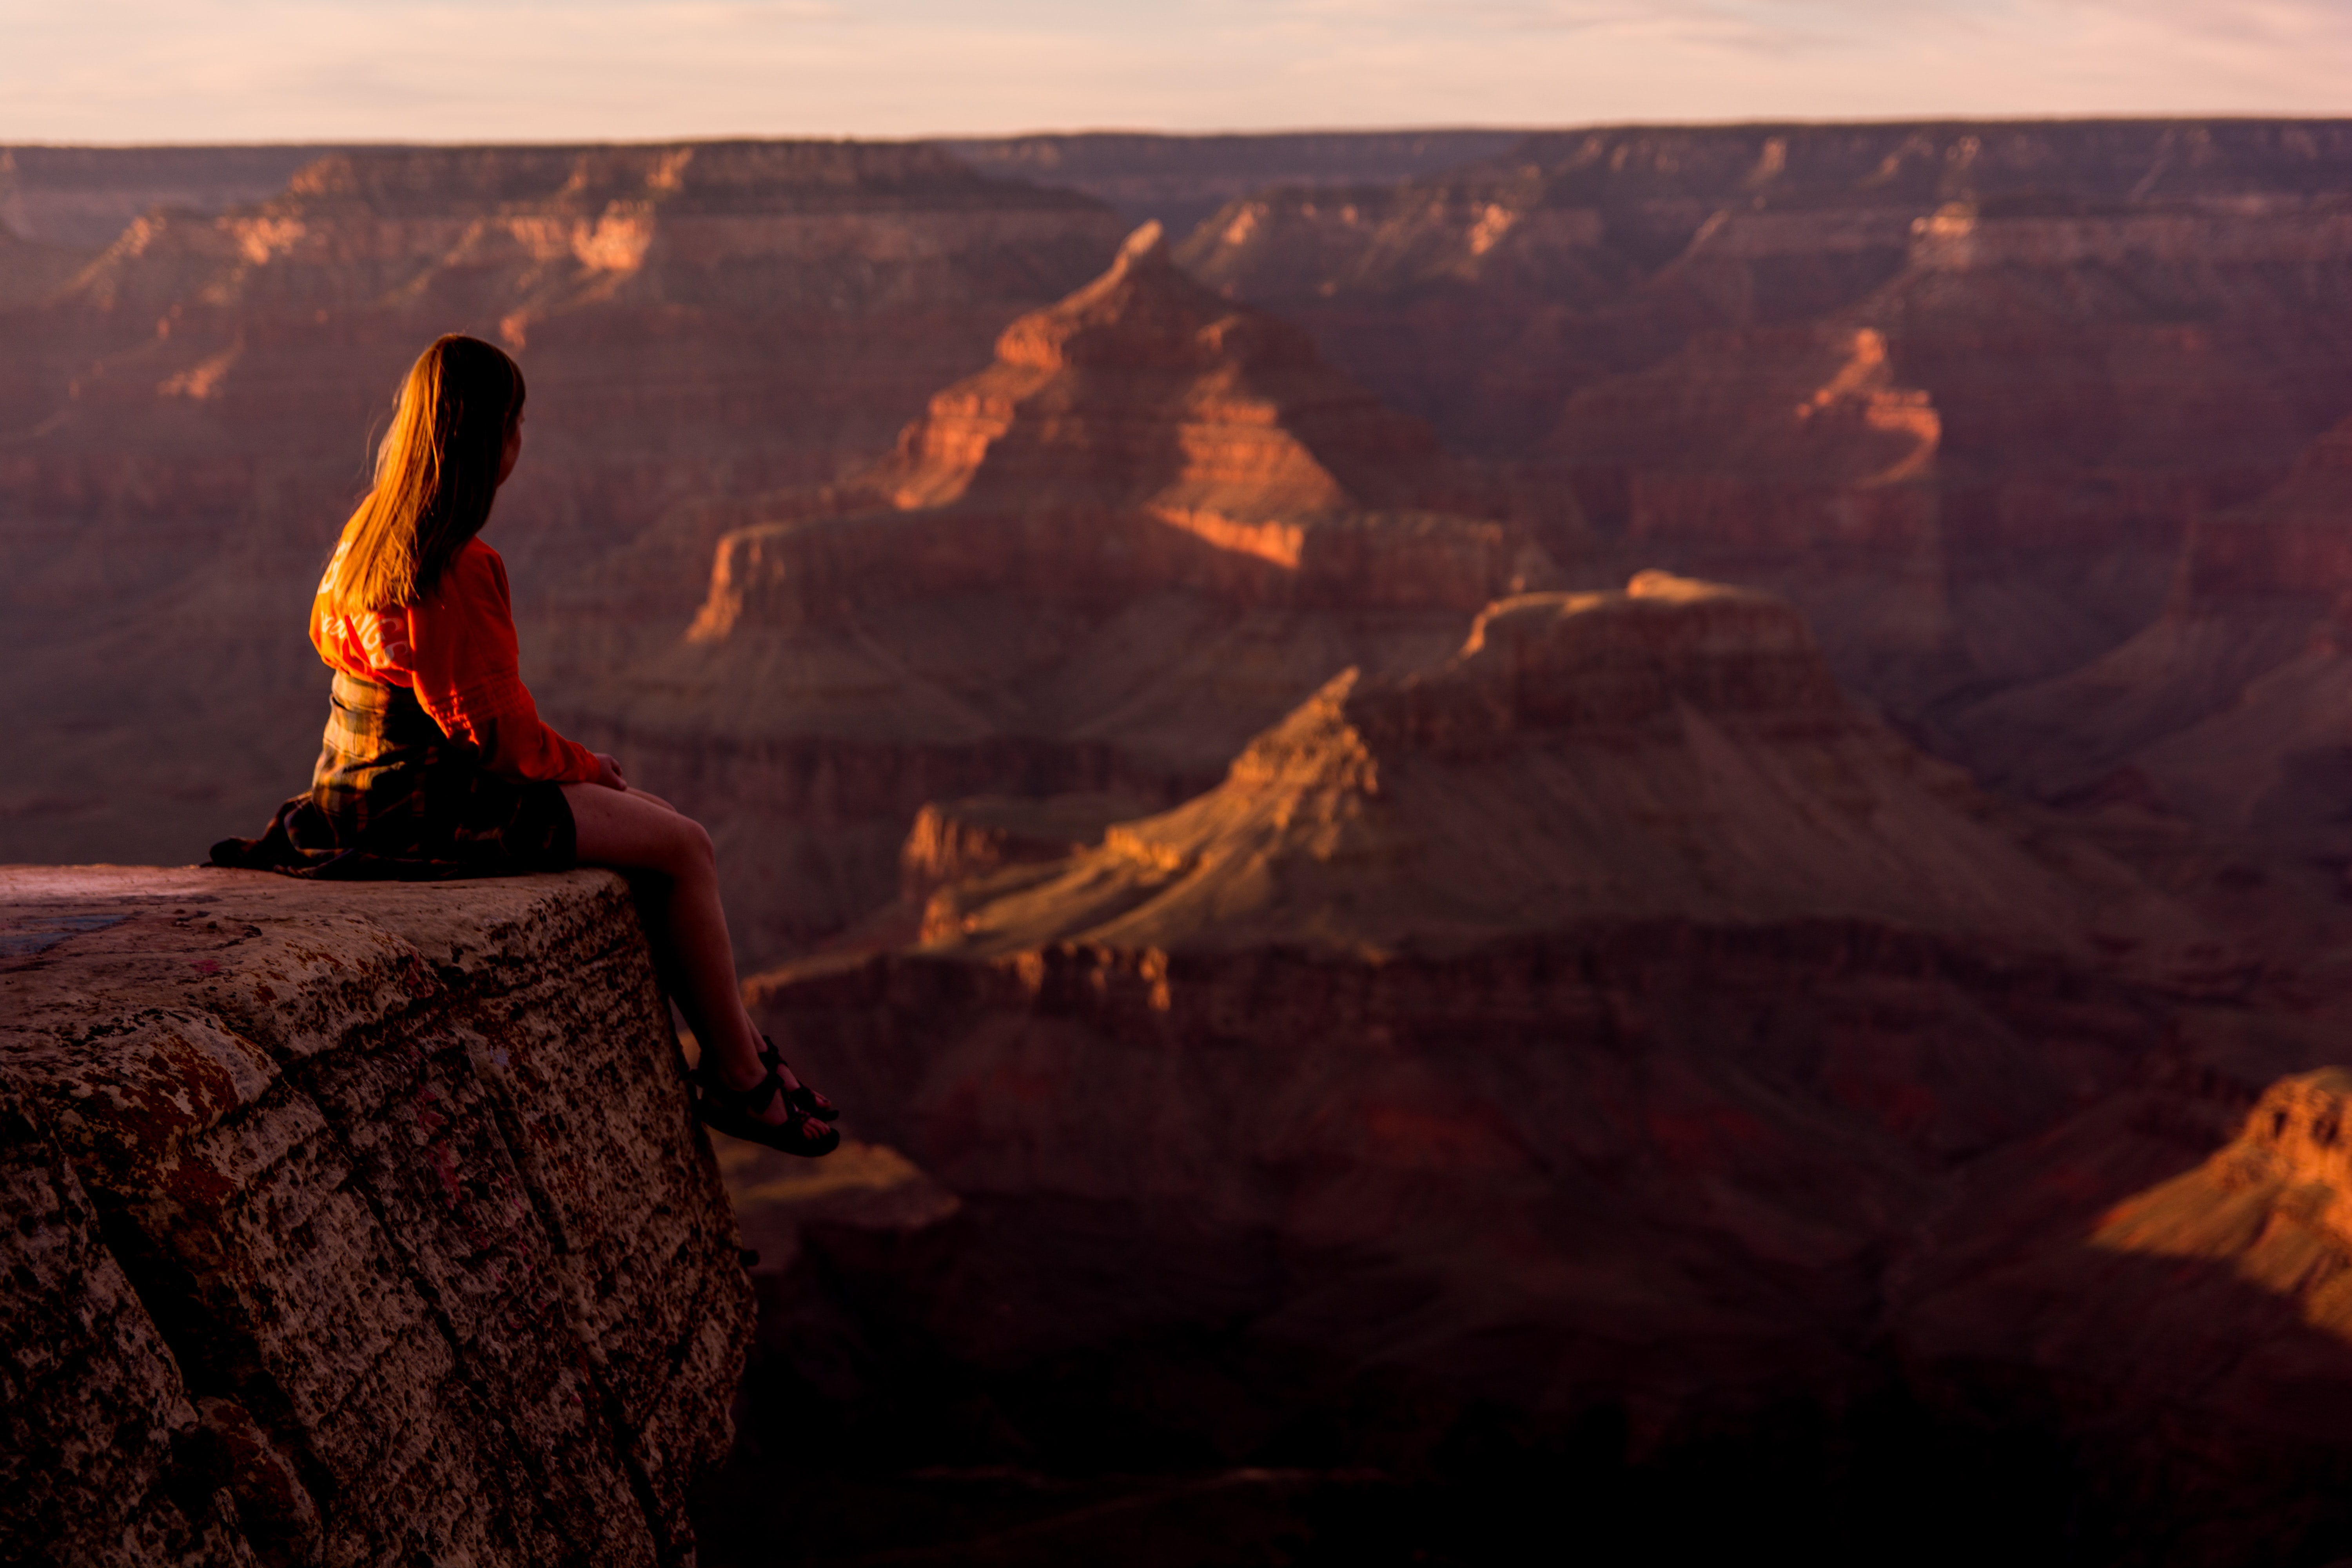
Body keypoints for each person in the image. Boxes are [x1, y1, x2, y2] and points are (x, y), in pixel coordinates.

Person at [210, 333, 837, 1157]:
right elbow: (498, 740)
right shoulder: (457, 565)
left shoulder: (369, 532)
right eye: (519, 422)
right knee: (685, 846)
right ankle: (741, 1078)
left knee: (648, 819)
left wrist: (587, 775)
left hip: (350, 795)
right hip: (426, 809)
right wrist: (587, 765)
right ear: (494, 437)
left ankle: (741, 1045)